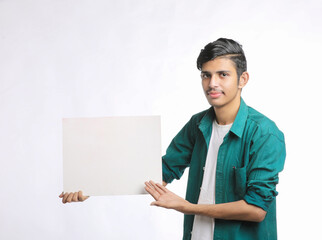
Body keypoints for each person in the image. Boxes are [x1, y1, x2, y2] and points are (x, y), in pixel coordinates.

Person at [60, 38, 286, 240]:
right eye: (206, 75)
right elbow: (162, 171)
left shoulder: (265, 133)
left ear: (242, 79)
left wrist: (188, 207)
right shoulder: (198, 125)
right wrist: (92, 185)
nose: (212, 83)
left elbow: (256, 210)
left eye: (223, 74)